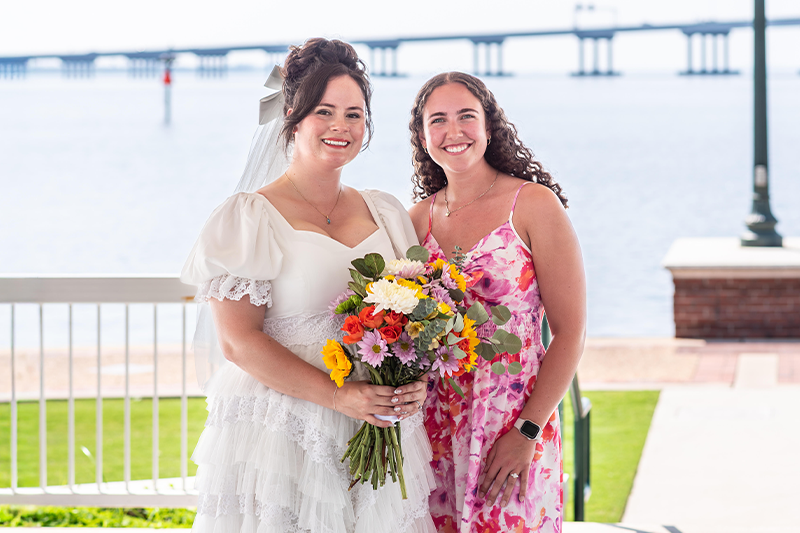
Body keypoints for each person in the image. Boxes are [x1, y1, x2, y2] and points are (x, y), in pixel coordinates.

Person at [181, 38, 435, 533]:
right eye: (325, 111)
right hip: (284, 427)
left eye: (354, 114)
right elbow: (238, 342)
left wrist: (412, 381)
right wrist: (340, 399)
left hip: (374, 419)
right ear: (293, 116)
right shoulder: (247, 217)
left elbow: (413, 315)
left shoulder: (385, 211)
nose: (341, 126)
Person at [407, 72, 586, 532]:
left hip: (512, 425)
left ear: (489, 127)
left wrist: (528, 431)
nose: (454, 132)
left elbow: (570, 334)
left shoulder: (533, 206)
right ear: (423, 136)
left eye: (467, 116)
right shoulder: (414, 221)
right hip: (430, 429)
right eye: (438, 120)